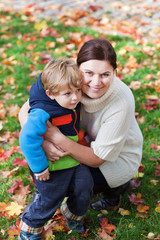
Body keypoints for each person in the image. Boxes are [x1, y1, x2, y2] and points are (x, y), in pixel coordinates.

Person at [19, 38, 143, 213]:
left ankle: (116, 188)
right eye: (89, 73)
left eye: (105, 74)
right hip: (80, 141)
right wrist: (45, 144)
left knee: (71, 180)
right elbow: (25, 111)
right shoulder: (68, 79)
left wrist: (55, 137)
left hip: (113, 160)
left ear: (114, 72)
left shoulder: (121, 100)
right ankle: (42, 195)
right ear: (78, 69)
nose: (96, 82)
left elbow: (98, 158)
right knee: (37, 152)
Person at [18, 58, 94, 240]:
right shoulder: (42, 112)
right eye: (67, 93)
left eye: (77, 90)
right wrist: (40, 168)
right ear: (50, 94)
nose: (75, 97)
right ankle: (29, 229)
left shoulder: (69, 103)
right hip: (53, 167)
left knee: (85, 187)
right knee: (49, 200)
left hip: (74, 161)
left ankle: (72, 214)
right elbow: (27, 138)